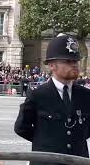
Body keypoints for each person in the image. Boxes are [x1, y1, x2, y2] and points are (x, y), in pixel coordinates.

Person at [14, 34, 90, 165]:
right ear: (52, 65)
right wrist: (45, 143)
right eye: (67, 61)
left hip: (78, 160)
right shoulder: (38, 95)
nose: (74, 65)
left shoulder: (85, 95)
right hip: (46, 161)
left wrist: (76, 140)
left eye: (75, 61)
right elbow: (21, 127)